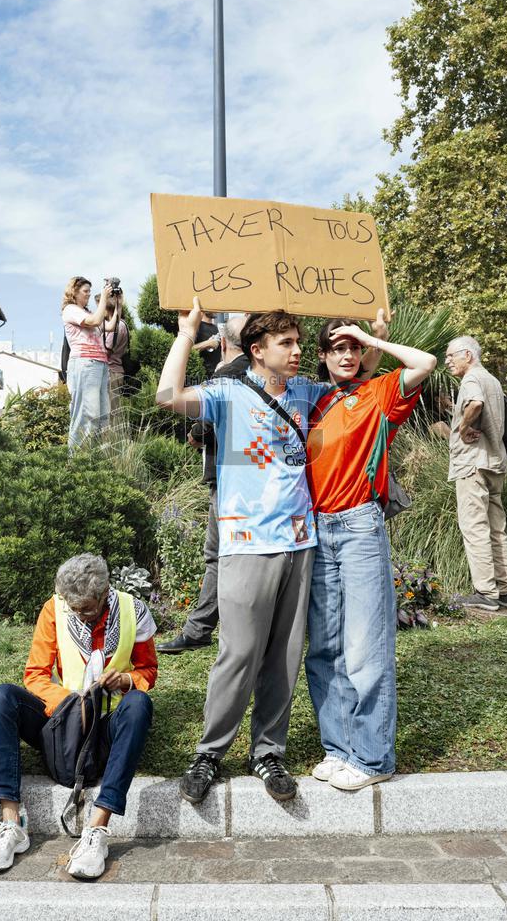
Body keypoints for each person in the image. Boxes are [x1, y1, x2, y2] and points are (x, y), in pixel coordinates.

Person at [156, 299, 338, 804]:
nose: (298, 351)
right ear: (257, 350)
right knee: (239, 652)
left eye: (300, 342)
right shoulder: (229, 393)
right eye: (287, 343)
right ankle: (210, 752)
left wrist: (371, 335)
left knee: (283, 655)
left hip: (300, 541)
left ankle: (268, 752)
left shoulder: (306, 393)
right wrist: (187, 334)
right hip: (247, 542)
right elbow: (167, 395)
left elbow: (355, 376)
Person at [305, 320, 436, 791]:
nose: (346, 355)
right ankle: (339, 749)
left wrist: (374, 339)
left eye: (353, 348)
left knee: (365, 647)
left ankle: (374, 757)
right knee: (325, 647)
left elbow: (425, 362)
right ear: (322, 355)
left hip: (360, 526)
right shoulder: (313, 400)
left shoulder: (380, 393)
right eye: (337, 348)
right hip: (318, 530)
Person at [0, 553, 156, 880]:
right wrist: (70, 703)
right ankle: (10, 825)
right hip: (61, 723)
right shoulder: (54, 608)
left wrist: (127, 681)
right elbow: (35, 675)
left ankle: (97, 830)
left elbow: (148, 670)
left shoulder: (134, 610)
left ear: (105, 594)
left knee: (140, 704)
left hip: (108, 727)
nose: (79, 614)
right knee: (3, 696)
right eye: (72, 606)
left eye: (86, 607)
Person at [158, 316, 248, 655]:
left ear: (222, 344)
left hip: (228, 474)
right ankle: (202, 626)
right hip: (241, 471)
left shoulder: (227, 374)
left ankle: (201, 628)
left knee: (219, 555)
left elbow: (202, 421)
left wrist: (196, 435)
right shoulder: (264, 374)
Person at [439, 337, 507, 610]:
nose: (447, 361)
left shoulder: (471, 380)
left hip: (473, 464)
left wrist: (461, 427)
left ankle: (486, 593)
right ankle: (506, 591)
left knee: (474, 527)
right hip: (495, 461)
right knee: (497, 528)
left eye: (450, 356)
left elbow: (475, 404)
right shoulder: (492, 379)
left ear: (467, 355)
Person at [61, 277, 116, 449]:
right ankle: (76, 461)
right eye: (85, 291)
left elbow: (110, 326)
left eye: (89, 292)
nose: (88, 295)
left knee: (102, 415)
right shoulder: (70, 310)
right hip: (86, 363)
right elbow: (95, 321)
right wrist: (104, 299)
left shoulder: (87, 311)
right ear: (74, 292)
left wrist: (117, 306)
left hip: (100, 365)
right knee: (87, 414)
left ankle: (94, 459)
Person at [102, 289, 128, 420]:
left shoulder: (117, 326)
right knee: (113, 410)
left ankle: (111, 440)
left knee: (111, 412)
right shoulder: (121, 324)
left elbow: (107, 349)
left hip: (112, 371)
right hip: (116, 370)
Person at [193, 310, 222, 378]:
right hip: (200, 376)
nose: (216, 309)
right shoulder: (196, 327)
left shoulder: (216, 328)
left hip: (215, 374)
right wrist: (207, 344)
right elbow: (186, 351)